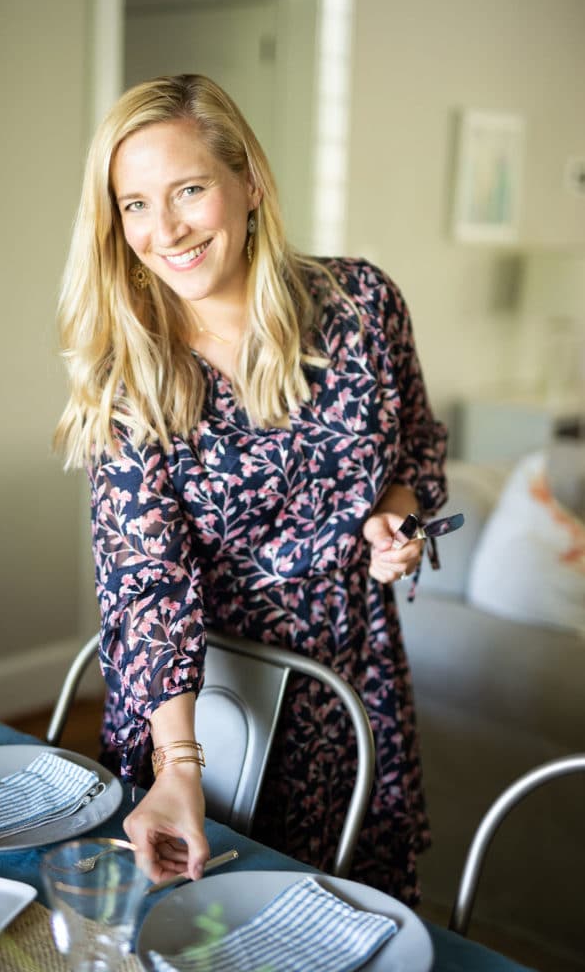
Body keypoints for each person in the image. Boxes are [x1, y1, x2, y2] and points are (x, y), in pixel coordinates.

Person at [54, 73, 448, 906]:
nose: (165, 230)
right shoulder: (132, 377)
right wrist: (178, 767)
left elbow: (418, 445)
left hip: (355, 680)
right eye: (135, 205)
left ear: (251, 183)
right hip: (209, 712)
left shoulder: (363, 305)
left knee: (352, 921)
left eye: (189, 190)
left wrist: (397, 522)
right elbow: (148, 589)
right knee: (204, 929)